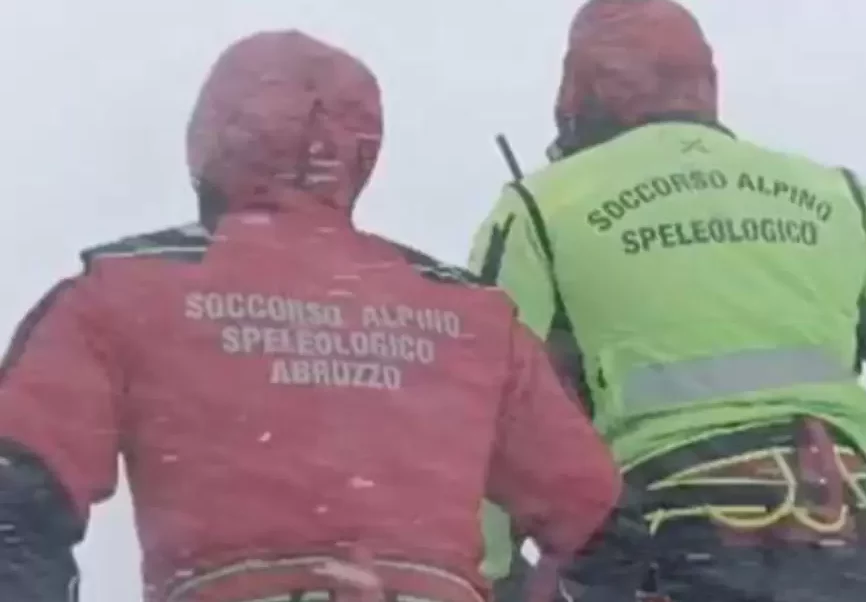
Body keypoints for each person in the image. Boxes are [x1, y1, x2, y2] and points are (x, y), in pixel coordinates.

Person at [0, 30, 640, 602]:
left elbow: (16, 497)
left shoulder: (125, 287)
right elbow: (600, 526)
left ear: (212, 137)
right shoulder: (467, 312)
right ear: (360, 151)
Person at [468, 1, 866, 600]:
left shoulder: (540, 208)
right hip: (835, 539)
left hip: (661, 547)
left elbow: (483, 401)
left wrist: (489, 575)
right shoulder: (836, 197)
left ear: (581, 86)